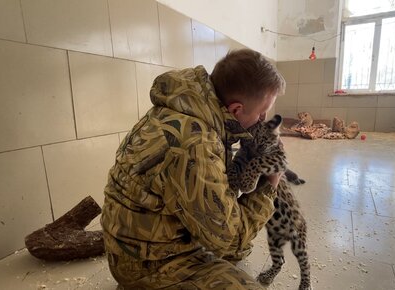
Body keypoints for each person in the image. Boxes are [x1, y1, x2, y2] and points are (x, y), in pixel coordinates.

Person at [101, 48, 286, 289]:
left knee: (241, 248)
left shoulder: (187, 111)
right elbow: (229, 239)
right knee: (239, 252)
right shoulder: (195, 144)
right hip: (149, 266)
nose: (263, 120)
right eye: (261, 113)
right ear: (236, 110)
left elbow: (221, 198)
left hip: (143, 242)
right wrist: (270, 184)